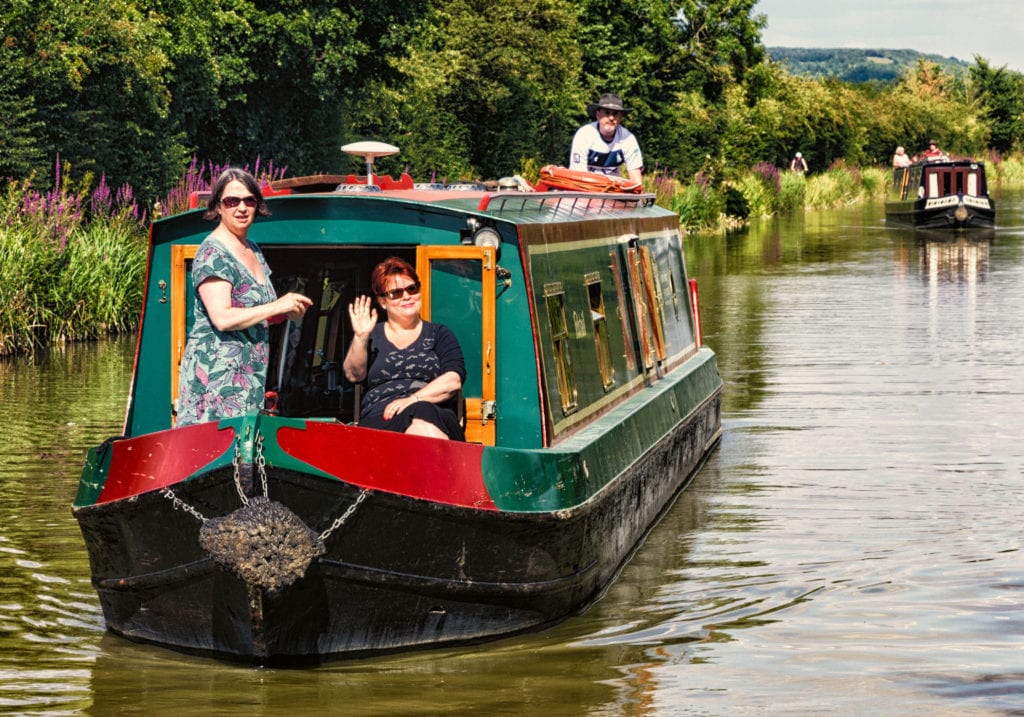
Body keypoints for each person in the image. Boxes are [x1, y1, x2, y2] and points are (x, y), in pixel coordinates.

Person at [176, 168, 313, 426]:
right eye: (232, 201)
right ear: (218, 206)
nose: (241, 208)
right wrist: (277, 304)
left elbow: (256, 311)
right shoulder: (212, 253)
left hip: (249, 376)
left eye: (249, 200)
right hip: (216, 381)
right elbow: (223, 318)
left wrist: (285, 312)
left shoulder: (252, 250)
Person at [343, 257, 465, 441]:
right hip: (383, 418)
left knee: (422, 413)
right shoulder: (372, 335)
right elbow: (354, 375)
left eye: (411, 288)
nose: (406, 296)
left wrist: (413, 400)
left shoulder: (439, 333)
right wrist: (360, 337)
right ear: (383, 301)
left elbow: (453, 380)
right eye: (396, 293)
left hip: (434, 412)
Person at [569, 93, 643, 183]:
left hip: (612, 191)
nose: (611, 117)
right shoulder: (584, 135)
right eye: (607, 112)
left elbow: (636, 180)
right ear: (598, 115)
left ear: (620, 118)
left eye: (615, 114)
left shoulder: (628, 138)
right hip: (584, 189)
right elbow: (578, 178)